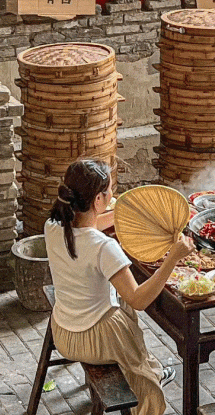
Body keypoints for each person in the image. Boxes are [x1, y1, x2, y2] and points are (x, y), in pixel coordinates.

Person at [44, 158, 194, 415]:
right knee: (127, 309)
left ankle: (150, 368)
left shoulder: (53, 226)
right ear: (98, 201)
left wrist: (127, 216)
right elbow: (139, 300)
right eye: (110, 190)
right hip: (92, 340)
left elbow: (89, 227)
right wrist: (172, 258)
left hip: (63, 331)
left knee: (120, 301)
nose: (113, 193)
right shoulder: (103, 247)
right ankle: (149, 384)